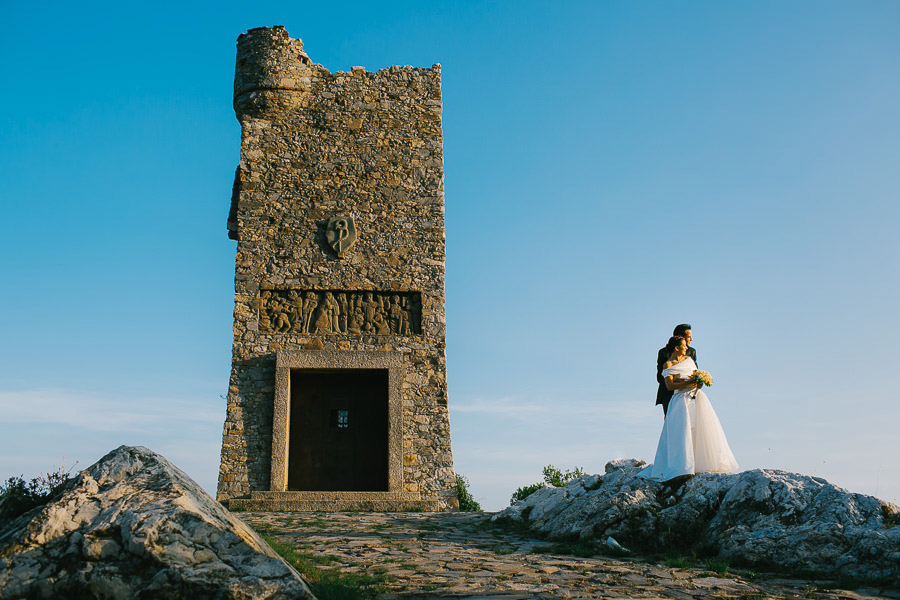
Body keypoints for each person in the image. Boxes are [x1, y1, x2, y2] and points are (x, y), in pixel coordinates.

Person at [640, 335, 738, 482]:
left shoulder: (689, 361)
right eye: (684, 345)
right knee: (681, 431)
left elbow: (693, 377)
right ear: (676, 347)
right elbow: (670, 385)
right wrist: (689, 382)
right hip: (680, 399)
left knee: (700, 428)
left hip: (696, 398)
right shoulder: (668, 365)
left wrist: (698, 382)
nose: (687, 348)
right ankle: (681, 467)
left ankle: (699, 464)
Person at [656, 324, 696, 416]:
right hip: (668, 394)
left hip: (688, 392)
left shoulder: (692, 352)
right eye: (689, 337)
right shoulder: (663, 352)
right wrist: (674, 382)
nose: (691, 339)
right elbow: (659, 376)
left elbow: (695, 372)